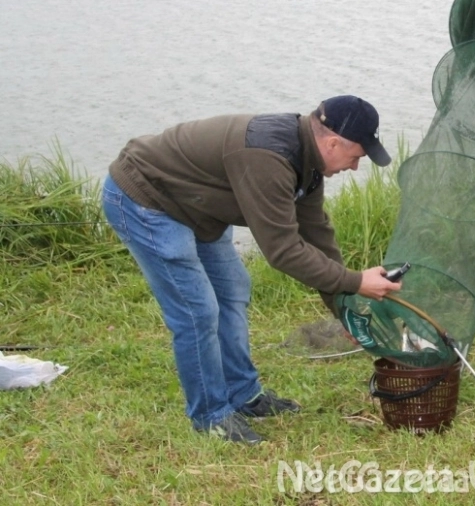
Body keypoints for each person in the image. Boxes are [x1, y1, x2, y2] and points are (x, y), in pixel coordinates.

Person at [101, 95, 403, 443]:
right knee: (198, 311)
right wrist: (355, 281)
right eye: (356, 158)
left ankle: (244, 395)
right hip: (146, 198)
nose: (354, 168)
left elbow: (316, 236)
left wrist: (344, 309)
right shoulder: (268, 158)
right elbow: (284, 251)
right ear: (333, 142)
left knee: (232, 290)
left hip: (198, 207)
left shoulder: (308, 162)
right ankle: (211, 416)